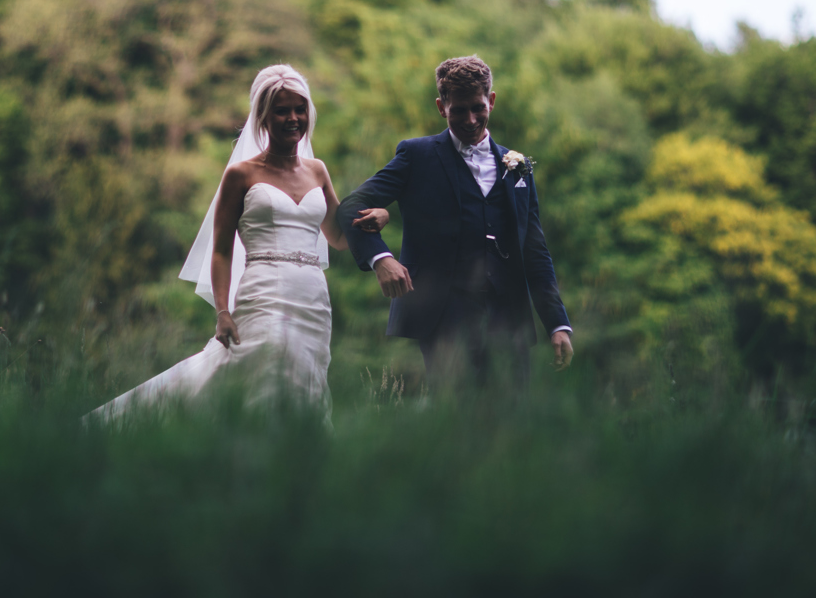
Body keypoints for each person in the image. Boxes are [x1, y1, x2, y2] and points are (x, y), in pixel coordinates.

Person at [85, 65, 387, 425]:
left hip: (313, 300)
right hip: (263, 292)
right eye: (281, 110)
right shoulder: (241, 174)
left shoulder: (318, 170)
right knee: (263, 376)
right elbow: (222, 250)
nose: (293, 118)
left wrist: (377, 218)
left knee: (306, 380)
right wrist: (223, 312)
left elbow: (338, 237)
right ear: (263, 117)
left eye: (299, 109)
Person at [337, 55, 572, 393]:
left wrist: (557, 324)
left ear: (491, 100)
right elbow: (351, 207)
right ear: (440, 107)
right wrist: (381, 259)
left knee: (512, 426)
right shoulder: (416, 156)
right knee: (455, 422)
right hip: (444, 316)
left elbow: (535, 251)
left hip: (509, 318)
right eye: (459, 110)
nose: (471, 119)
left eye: (478, 107)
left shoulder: (518, 166)